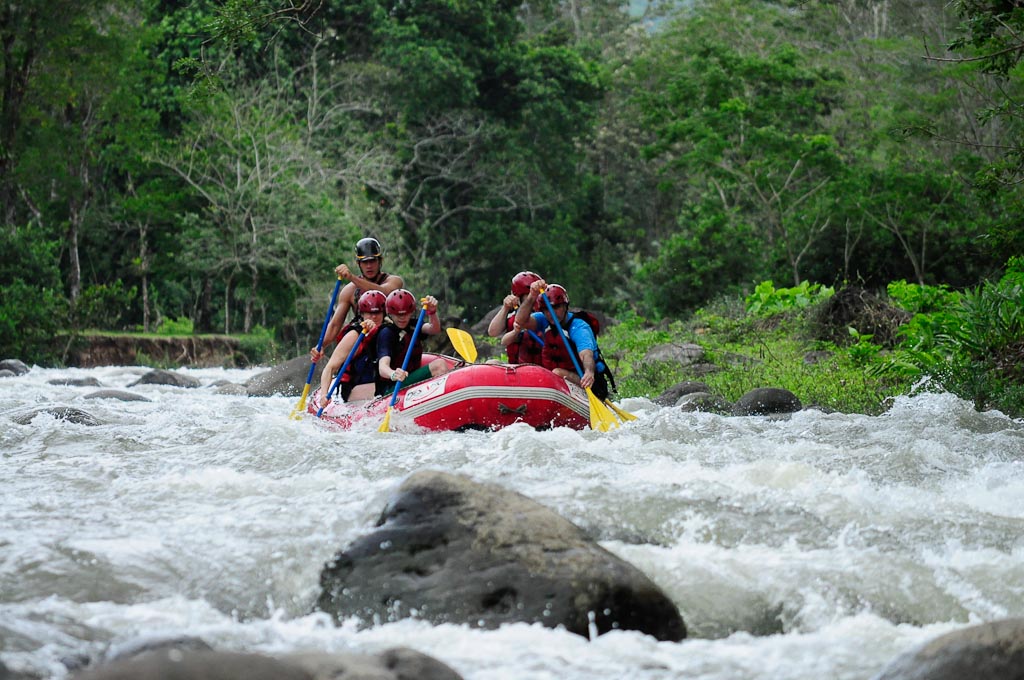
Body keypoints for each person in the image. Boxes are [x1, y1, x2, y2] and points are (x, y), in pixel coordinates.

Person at [514, 278, 611, 400]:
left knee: (557, 372)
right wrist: (532, 296)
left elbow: (586, 354)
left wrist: (589, 373)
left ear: (565, 306)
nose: (551, 313)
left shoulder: (578, 327)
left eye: (556, 308)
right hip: (558, 383)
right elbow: (520, 321)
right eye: (546, 310)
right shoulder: (543, 320)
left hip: (587, 382)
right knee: (543, 372)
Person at [311, 237, 404, 363]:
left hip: (389, 339)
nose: (369, 266)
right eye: (364, 262)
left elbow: (383, 292)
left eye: (373, 261)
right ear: (358, 263)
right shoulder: (349, 291)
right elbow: (335, 325)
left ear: (380, 261)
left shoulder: (393, 281)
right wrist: (321, 345)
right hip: (364, 342)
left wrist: (351, 277)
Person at [317, 290, 386, 408]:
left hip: (379, 383)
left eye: (378, 313)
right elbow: (330, 368)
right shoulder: (354, 335)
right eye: (369, 313)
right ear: (362, 314)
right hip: (356, 389)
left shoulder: (388, 329)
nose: (374, 317)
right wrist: (324, 395)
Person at [376, 289, 450, 394]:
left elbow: (434, 329)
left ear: (411, 312)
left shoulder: (413, 324)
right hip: (392, 388)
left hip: (410, 379)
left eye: (406, 314)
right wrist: (393, 374)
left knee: (440, 364)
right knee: (439, 365)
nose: (402, 318)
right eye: (397, 314)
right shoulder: (387, 333)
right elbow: (382, 367)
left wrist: (432, 312)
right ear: (390, 314)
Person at [486, 271, 545, 365]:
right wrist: (505, 308)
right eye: (529, 296)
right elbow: (493, 332)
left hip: (542, 372)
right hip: (516, 370)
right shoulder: (512, 317)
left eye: (536, 295)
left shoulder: (545, 317)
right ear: (518, 298)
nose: (534, 299)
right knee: (491, 362)